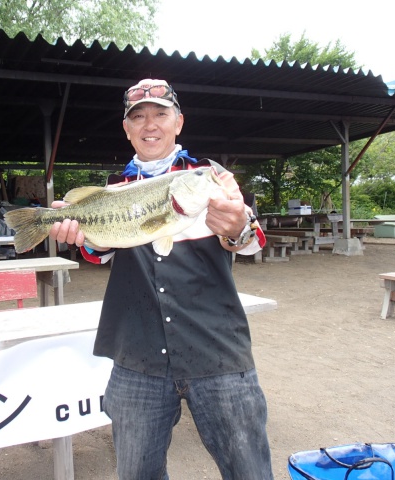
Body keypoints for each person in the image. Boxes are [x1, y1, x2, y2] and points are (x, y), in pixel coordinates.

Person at [49, 79, 274, 480]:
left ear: (178, 122)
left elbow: (252, 242)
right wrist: (78, 236)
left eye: (160, 114)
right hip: (137, 357)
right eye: (138, 117)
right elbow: (97, 254)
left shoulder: (211, 178)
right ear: (127, 129)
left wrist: (237, 225)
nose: (149, 124)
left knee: (249, 470)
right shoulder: (112, 192)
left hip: (217, 352)